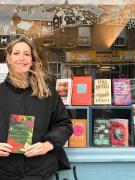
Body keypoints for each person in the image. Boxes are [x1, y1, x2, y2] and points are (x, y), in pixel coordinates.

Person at [0, 36, 73, 180]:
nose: (22, 58)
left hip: (40, 170)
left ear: (32, 60)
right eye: (16, 53)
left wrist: (49, 144)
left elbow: (64, 125)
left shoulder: (48, 93)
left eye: (26, 54)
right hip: (4, 170)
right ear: (8, 59)